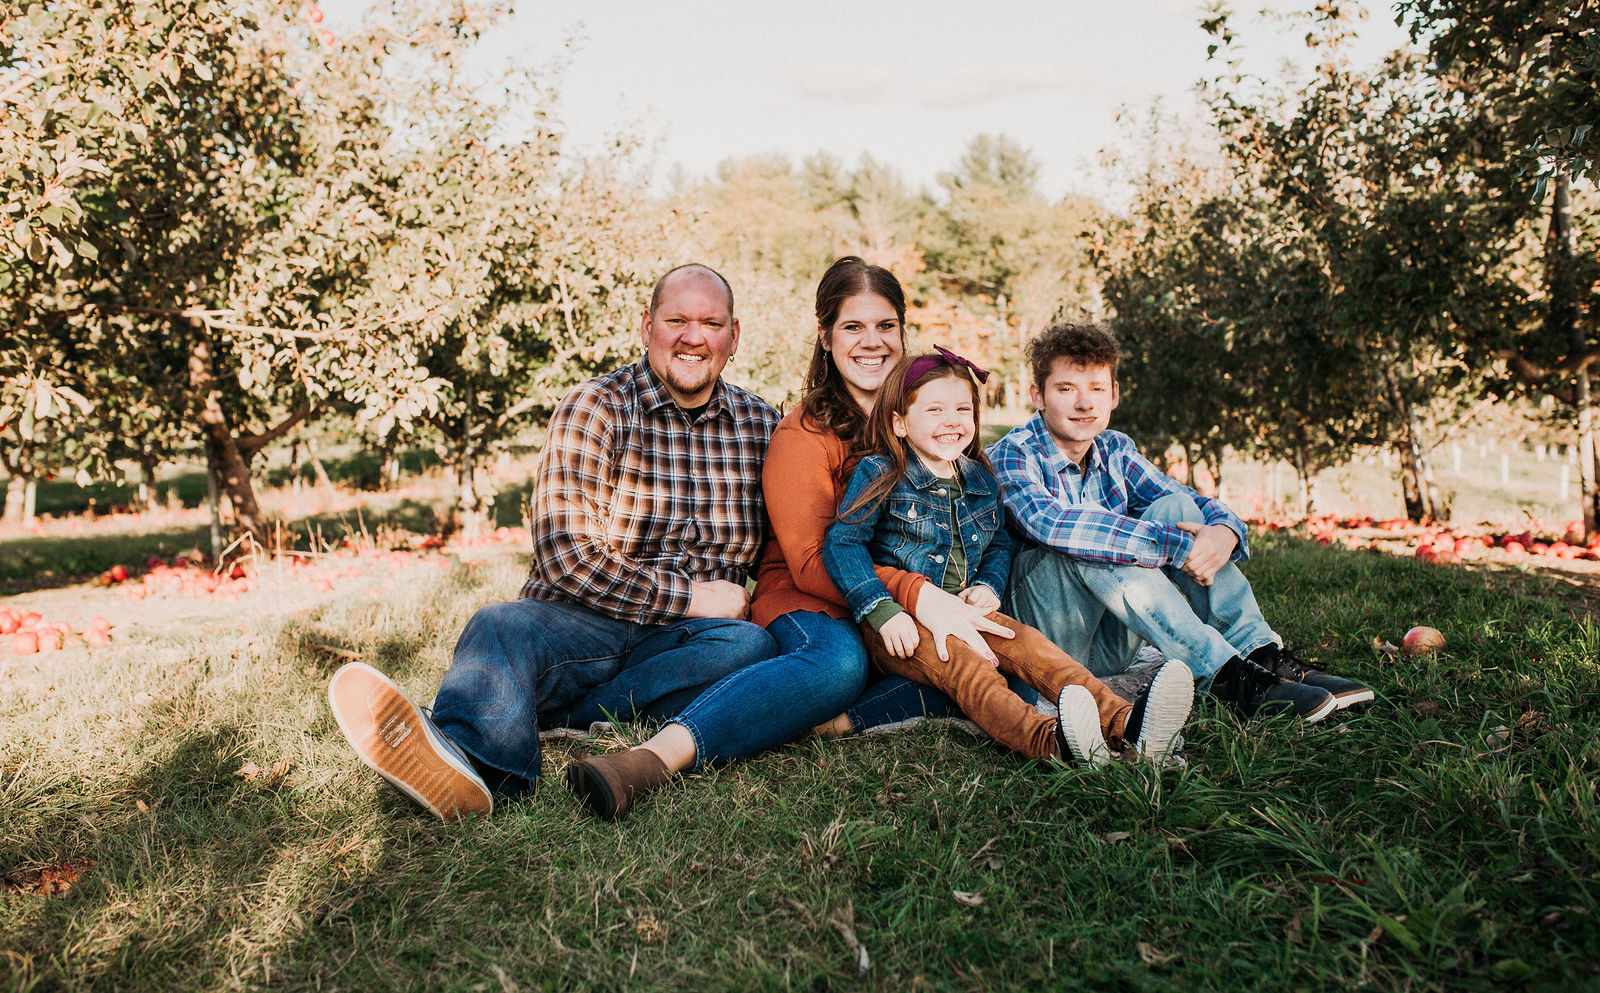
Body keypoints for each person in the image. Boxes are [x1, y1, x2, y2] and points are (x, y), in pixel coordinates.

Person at [564, 257, 1017, 820]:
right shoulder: (804, 432)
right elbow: (808, 561)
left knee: (981, 662)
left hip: (899, 601)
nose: (871, 342)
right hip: (808, 598)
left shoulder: (930, 420)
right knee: (839, 666)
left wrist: (973, 590)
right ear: (826, 338)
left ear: (903, 335)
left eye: (885, 327)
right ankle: (654, 759)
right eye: (853, 327)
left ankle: (814, 720)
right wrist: (921, 596)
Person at [326, 263, 782, 819]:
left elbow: (787, 546)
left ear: (733, 337)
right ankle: (476, 763)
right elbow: (567, 557)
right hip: (581, 621)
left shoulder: (761, 425)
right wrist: (694, 598)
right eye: (676, 319)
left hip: (687, 646)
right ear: (647, 327)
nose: (693, 336)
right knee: (500, 625)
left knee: (750, 649)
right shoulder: (597, 406)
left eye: (711, 322)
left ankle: (549, 718)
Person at [822, 349, 1195, 767]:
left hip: (963, 610)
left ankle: (1126, 721)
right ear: (900, 423)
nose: (952, 420)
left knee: (1034, 648)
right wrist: (882, 610)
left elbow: (998, 542)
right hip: (901, 624)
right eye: (935, 410)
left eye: (963, 408)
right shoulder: (882, 471)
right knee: (969, 667)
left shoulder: (979, 477)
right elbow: (843, 544)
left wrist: (987, 585)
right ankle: (1051, 741)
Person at [988, 322, 1375, 721]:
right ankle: (1225, 676)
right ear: (1038, 396)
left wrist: (1224, 531)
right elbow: (1053, 523)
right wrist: (1178, 546)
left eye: (1097, 389)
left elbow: (1186, 501)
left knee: (1176, 509)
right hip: (1045, 638)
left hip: (1108, 645)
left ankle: (1260, 655)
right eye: (1066, 389)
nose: (1084, 404)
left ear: (1114, 395)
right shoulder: (1012, 453)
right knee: (1094, 535)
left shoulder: (1115, 448)